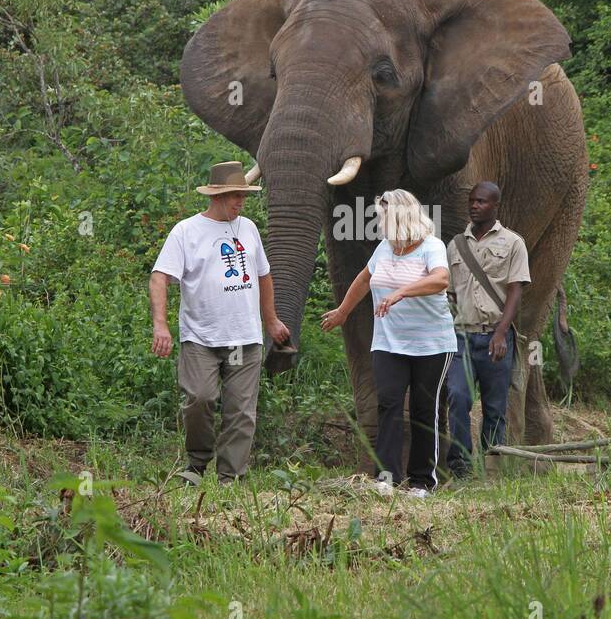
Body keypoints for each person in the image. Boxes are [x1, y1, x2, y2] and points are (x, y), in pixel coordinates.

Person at [148, 161, 290, 485]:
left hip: (244, 338)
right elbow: (159, 277)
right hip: (200, 338)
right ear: (216, 195)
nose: (240, 201)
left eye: (243, 195)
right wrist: (161, 324)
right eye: (234, 195)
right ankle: (196, 465)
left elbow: (264, 276)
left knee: (240, 410)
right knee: (199, 398)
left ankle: (231, 478)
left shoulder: (249, 228)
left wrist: (271, 320)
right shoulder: (186, 231)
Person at [320, 189, 455, 497]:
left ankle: (422, 482)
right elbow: (364, 279)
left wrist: (402, 292)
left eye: (383, 218)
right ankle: (386, 477)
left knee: (424, 409)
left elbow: (440, 280)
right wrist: (342, 311)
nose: (379, 224)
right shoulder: (385, 249)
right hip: (389, 342)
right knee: (389, 404)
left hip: (432, 345)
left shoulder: (431, 247)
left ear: (400, 218)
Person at [445, 181, 530, 478]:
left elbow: (515, 291)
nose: (474, 206)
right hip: (462, 338)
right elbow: (450, 295)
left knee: (494, 407)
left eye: (481, 201)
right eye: (471, 201)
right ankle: (460, 467)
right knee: (456, 397)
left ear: (495, 206)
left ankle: (492, 468)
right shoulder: (456, 245)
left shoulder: (513, 243)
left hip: (496, 336)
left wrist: (500, 333)